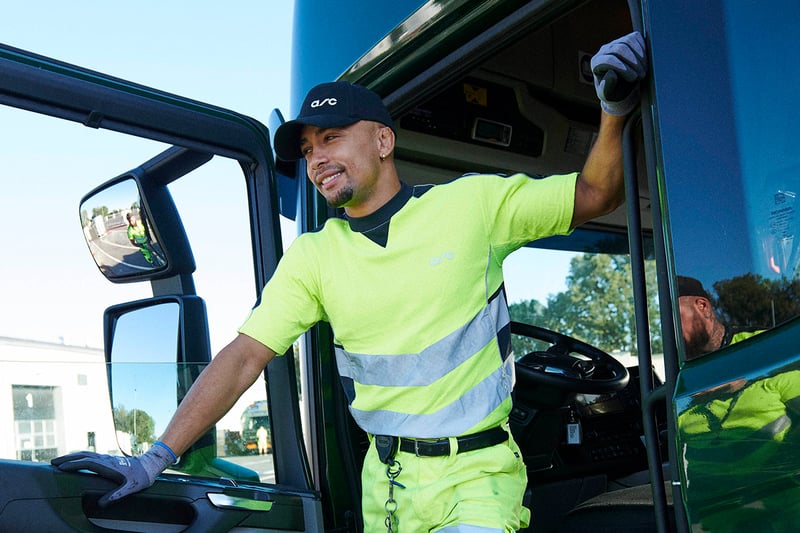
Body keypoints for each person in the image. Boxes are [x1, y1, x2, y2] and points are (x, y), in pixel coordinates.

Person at [52, 32, 647, 531]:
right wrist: (158, 457)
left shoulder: (473, 205)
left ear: (383, 141)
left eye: (331, 138)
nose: (316, 159)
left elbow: (597, 194)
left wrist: (612, 112)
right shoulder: (314, 257)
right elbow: (241, 358)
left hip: (478, 477)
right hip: (384, 486)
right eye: (308, 149)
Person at [677, 276, 761, 360]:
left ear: (703, 307)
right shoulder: (677, 367)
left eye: (675, 317)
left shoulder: (760, 343)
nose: (669, 330)